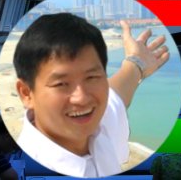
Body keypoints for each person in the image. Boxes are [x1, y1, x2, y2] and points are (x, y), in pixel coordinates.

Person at [12, 13, 169, 178]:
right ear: (26, 93)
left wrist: (137, 62)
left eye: (92, 77)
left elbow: (116, 94)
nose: (82, 98)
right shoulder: (32, 167)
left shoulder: (98, 127)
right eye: (61, 84)